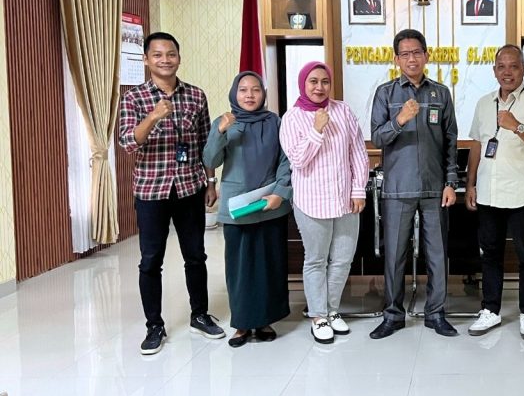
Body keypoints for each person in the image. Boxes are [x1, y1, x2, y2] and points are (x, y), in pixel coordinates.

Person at [118, 32, 225, 355]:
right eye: (158, 55)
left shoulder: (195, 95)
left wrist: (210, 182)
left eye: (171, 54)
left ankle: (200, 315)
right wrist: (153, 116)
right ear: (146, 60)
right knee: (151, 260)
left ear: (179, 57)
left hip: (190, 186)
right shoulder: (134, 98)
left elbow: (205, 144)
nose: (165, 60)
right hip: (151, 190)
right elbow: (128, 142)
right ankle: (154, 326)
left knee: (196, 255)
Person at [369, 28, 459, 339]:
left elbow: (450, 141)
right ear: (396, 59)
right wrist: (400, 120)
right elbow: (377, 138)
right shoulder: (386, 94)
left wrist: (451, 182)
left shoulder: (441, 94)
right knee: (395, 256)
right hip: (398, 188)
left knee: (437, 254)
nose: (411, 59)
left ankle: (436, 313)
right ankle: (393, 315)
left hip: (435, 188)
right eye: (405, 54)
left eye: (417, 52)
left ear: (426, 55)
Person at [465, 45, 524, 340]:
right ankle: (490, 310)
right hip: (488, 192)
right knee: (490, 254)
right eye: (501, 67)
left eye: (513, 66)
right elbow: (477, 145)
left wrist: (517, 127)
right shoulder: (483, 103)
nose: (507, 72)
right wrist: (470, 183)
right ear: (494, 71)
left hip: (520, 192)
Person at [279, 61, 369, 344]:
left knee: (342, 259)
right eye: (313, 81)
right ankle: (318, 316)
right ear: (303, 84)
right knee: (316, 260)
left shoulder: (343, 110)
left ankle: (332, 310)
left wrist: (359, 190)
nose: (319, 87)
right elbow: (298, 160)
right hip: (311, 200)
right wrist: (317, 129)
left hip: (345, 199)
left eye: (324, 82)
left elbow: (358, 152)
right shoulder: (291, 118)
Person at [203, 71, 292, 348]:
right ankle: (242, 323)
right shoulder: (225, 121)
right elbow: (210, 160)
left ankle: (265, 320)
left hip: (269, 204)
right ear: (235, 93)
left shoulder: (275, 122)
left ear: (263, 94)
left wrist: (280, 193)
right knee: (240, 267)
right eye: (243, 90)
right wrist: (220, 132)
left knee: (269, 265)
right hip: (238, 207)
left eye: (256, 89)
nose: (250, 95)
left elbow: (286, 160)